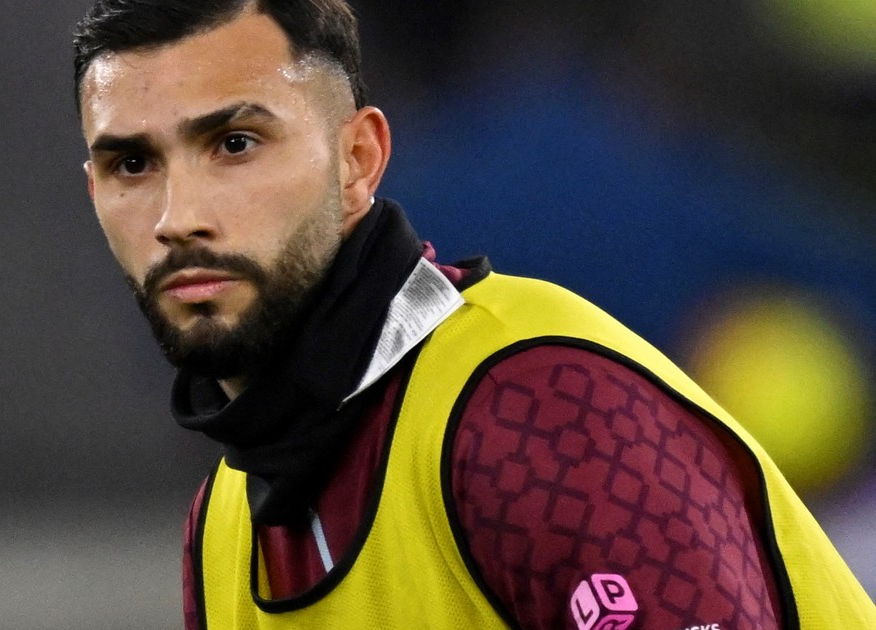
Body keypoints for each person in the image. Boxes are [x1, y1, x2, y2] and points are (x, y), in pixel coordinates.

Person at [71, 1, 876, 628]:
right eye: (133, 163)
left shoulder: (526, 384)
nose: (182, 219)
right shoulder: (227, 527)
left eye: (235, 145)